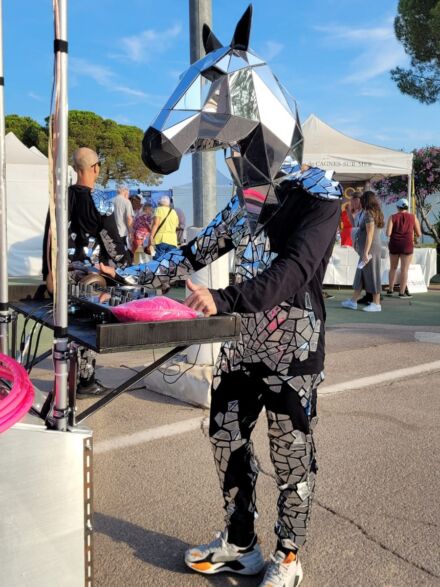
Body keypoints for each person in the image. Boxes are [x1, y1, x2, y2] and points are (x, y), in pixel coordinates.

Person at [42, 147, 131, 397]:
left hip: (63, 276)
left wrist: (47, 273)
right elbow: (113, 244)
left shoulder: (61, 197)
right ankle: (86, 381)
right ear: (95, 168)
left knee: (66, 326)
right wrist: (127, 266)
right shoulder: (100, 200)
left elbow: (49, 237)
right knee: (89, 327)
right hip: (92, 278)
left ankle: (66, 380)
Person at [341, 191, 384, 312]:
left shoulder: (369, 214)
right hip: (368, 248)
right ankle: (353, 301)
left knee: (373, 274)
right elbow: (360, 228)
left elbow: (370, 234)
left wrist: (365, 252)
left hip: (370, 249)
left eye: (362, 199)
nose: (360, 201)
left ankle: (376, 303)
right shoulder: (371, 213)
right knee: (360, 274)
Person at [386, 197, 422, 298]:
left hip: (394, 244)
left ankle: (390, 290)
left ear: (397, 207)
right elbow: (419, 233)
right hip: (407, 245)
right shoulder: (413, 217)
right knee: (404, 270)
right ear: (407, 207)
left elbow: (388, 233)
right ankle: (402, 292)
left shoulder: (392, 217)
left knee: (392, 268)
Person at [150, 195, 179, 259]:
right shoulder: (173, 212)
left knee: (158, 260)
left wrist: (151, 236)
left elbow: (156, 224)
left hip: (161, 239)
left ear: (159, 203)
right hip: (172, 240)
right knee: (170, 260)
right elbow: (176, 226)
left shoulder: (158, 209)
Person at [112, 186, 133, 250]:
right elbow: (129, 218)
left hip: (112, 231)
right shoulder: (126, 202)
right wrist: (130, 232)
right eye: (128, 193)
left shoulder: (111, 201)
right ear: (125, 192)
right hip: (123, 232)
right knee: (124, 252)